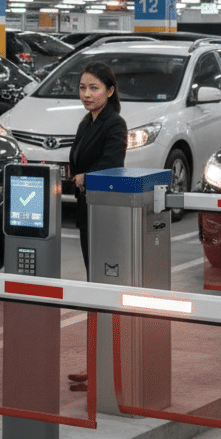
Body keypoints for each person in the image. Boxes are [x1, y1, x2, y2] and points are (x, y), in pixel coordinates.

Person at [67, 62, 126, 390]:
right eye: (82, 88)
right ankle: (96, 364)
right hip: (86, 213)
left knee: (103, 290)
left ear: (110, 91)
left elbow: (113, 164)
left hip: (105, 216)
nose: (86, 95)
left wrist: (86, 177)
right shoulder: (85, 123)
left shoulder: (114, 124)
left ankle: (106, 368)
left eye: (94, 88)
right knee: (94, 289)